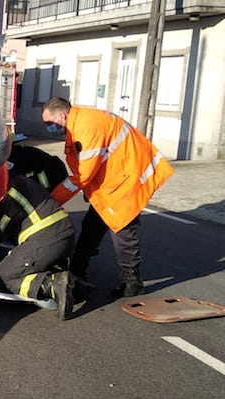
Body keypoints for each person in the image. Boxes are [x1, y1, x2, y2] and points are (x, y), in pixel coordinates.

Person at [41, 96, 174, 299]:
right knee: (92, 226)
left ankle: (132, 283)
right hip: (113, 181)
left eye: (49, 123)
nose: (48, 127)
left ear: (61, 115)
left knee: (122, 233)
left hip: (126, 182)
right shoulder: (80, 123)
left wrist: (52, 202)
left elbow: (83, 175)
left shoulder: (87, 126)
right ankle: (77, 272)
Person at [0, 164, 77, 319]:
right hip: (66, 236)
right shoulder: (21, 180)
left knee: (5, 274)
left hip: (46, 242)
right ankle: (62, 276)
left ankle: (51, 285)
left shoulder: (5, 195)